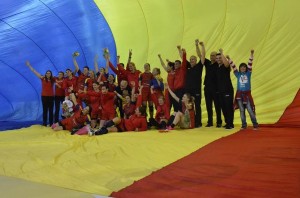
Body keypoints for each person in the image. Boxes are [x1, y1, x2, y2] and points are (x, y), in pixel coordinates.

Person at [227, 50, 258, 130]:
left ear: (246, 69)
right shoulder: (238, 74)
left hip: (247, 95)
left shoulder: (248, 74)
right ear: (240, 69)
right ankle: (244, 125)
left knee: (250, 110)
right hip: (239, 95)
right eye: (241, 67)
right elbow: (233, 66)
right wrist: (229, 59)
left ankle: (255, 124)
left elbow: (250, 64)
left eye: (244, 67)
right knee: (241, 110)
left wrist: (251, 54)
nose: (243, 68)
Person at [181, 39, 205, 127]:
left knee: (197, 106)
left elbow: (202, 56)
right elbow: (182, 57)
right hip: (188, 90)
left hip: (196, 90)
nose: (192, 60)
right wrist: (181, 50)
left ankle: (198, 122)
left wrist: (198, 45)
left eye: (193, 59)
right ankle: (191, 122)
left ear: (196, 60)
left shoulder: (199, 66)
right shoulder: (188, 66)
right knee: (188, 106)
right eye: (191, 59)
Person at [26, 61, 54, 126]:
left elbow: (62, 77)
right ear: (46, 74)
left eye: (49, 73)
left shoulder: (53, 79)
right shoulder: (42, 78)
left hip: (51, 97)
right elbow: (34, 72)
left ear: (51, 74)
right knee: (45, 110)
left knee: (51, 110)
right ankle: (44, 123)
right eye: (47, 73)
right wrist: (29, 65)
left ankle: (51, 123)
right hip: (44, 97)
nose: (48, 74)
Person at [202, 43, 222, 127]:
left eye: (213, 55)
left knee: (217, 105)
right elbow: (201, 56)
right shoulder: (208, 63)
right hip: (207, 88)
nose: (211, 57)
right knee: (208, 105)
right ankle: (210, 121)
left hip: (216, 88)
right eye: (211, 55)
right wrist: (202, 46)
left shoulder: (218, 64)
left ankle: (219, 122)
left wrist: (221, 53)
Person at [216, 49, 234, 129]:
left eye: (220, 58)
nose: (219, 59)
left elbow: (227, 64)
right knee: (223, 107)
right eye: (218, 58)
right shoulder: (217, 68)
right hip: (221, 91)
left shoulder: (225, 66)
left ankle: (230, 124)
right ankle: (227, 122)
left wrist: (222, 53)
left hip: (227, 90)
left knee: (228, 107)